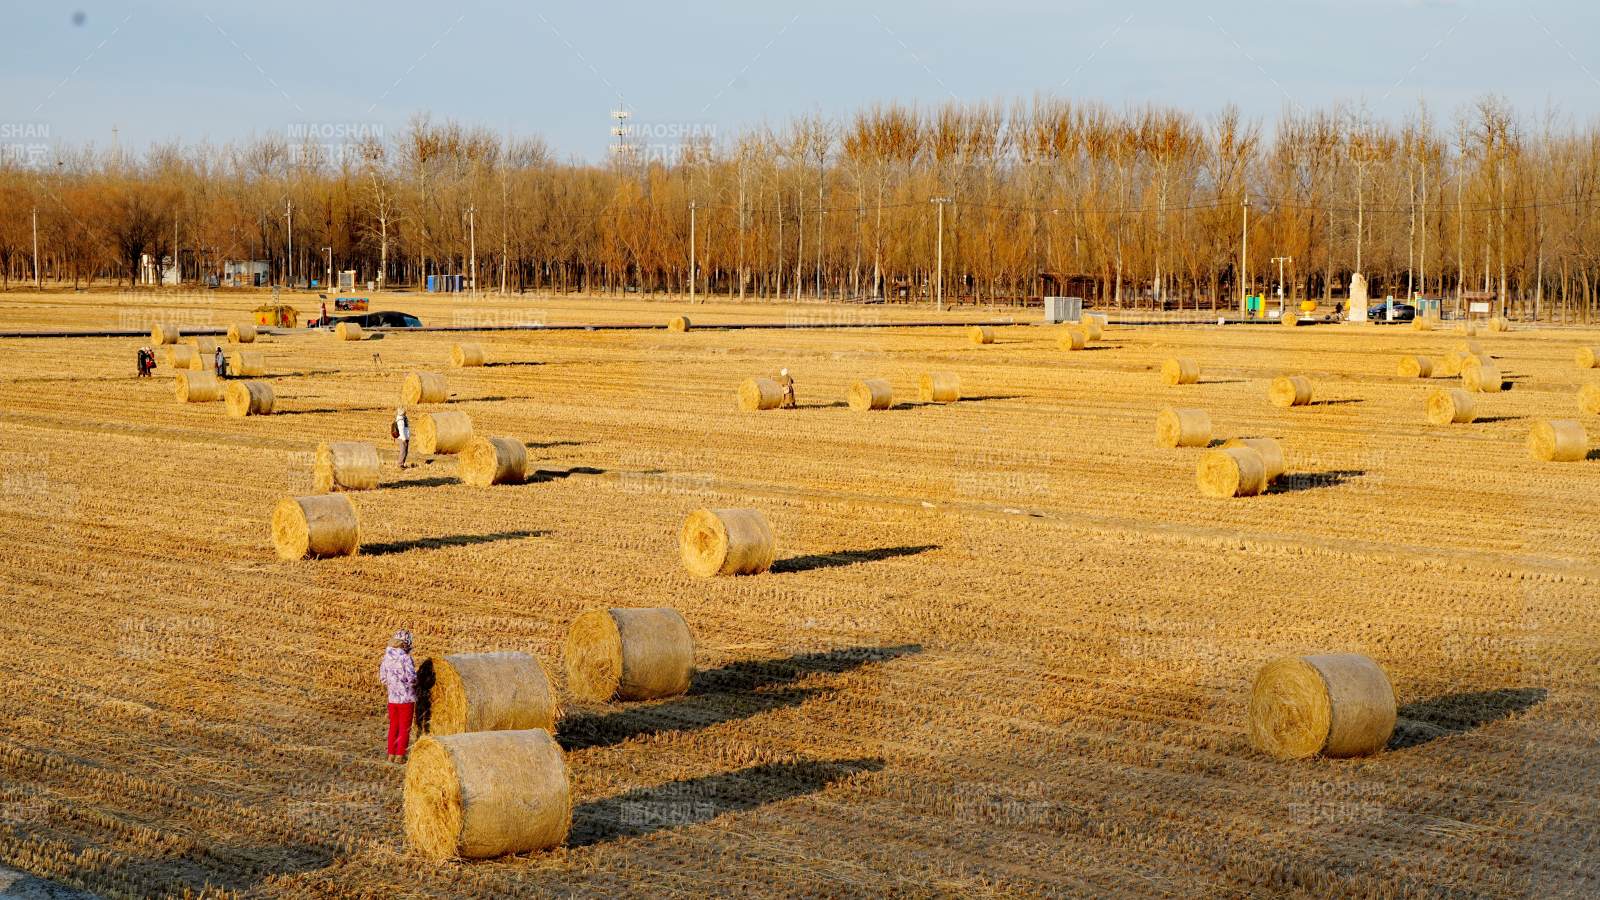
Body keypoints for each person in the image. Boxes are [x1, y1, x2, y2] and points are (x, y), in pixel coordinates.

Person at [377, 630, 417, 763]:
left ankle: (391, 755)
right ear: (406, 644)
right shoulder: (405, 658)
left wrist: (393, 686)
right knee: (404, 728)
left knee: (394, 726)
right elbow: (412, 678)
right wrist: (415, 684)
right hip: (406, 699)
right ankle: (400, 755)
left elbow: (383, 679)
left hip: (392, 699)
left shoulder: (386, 657)